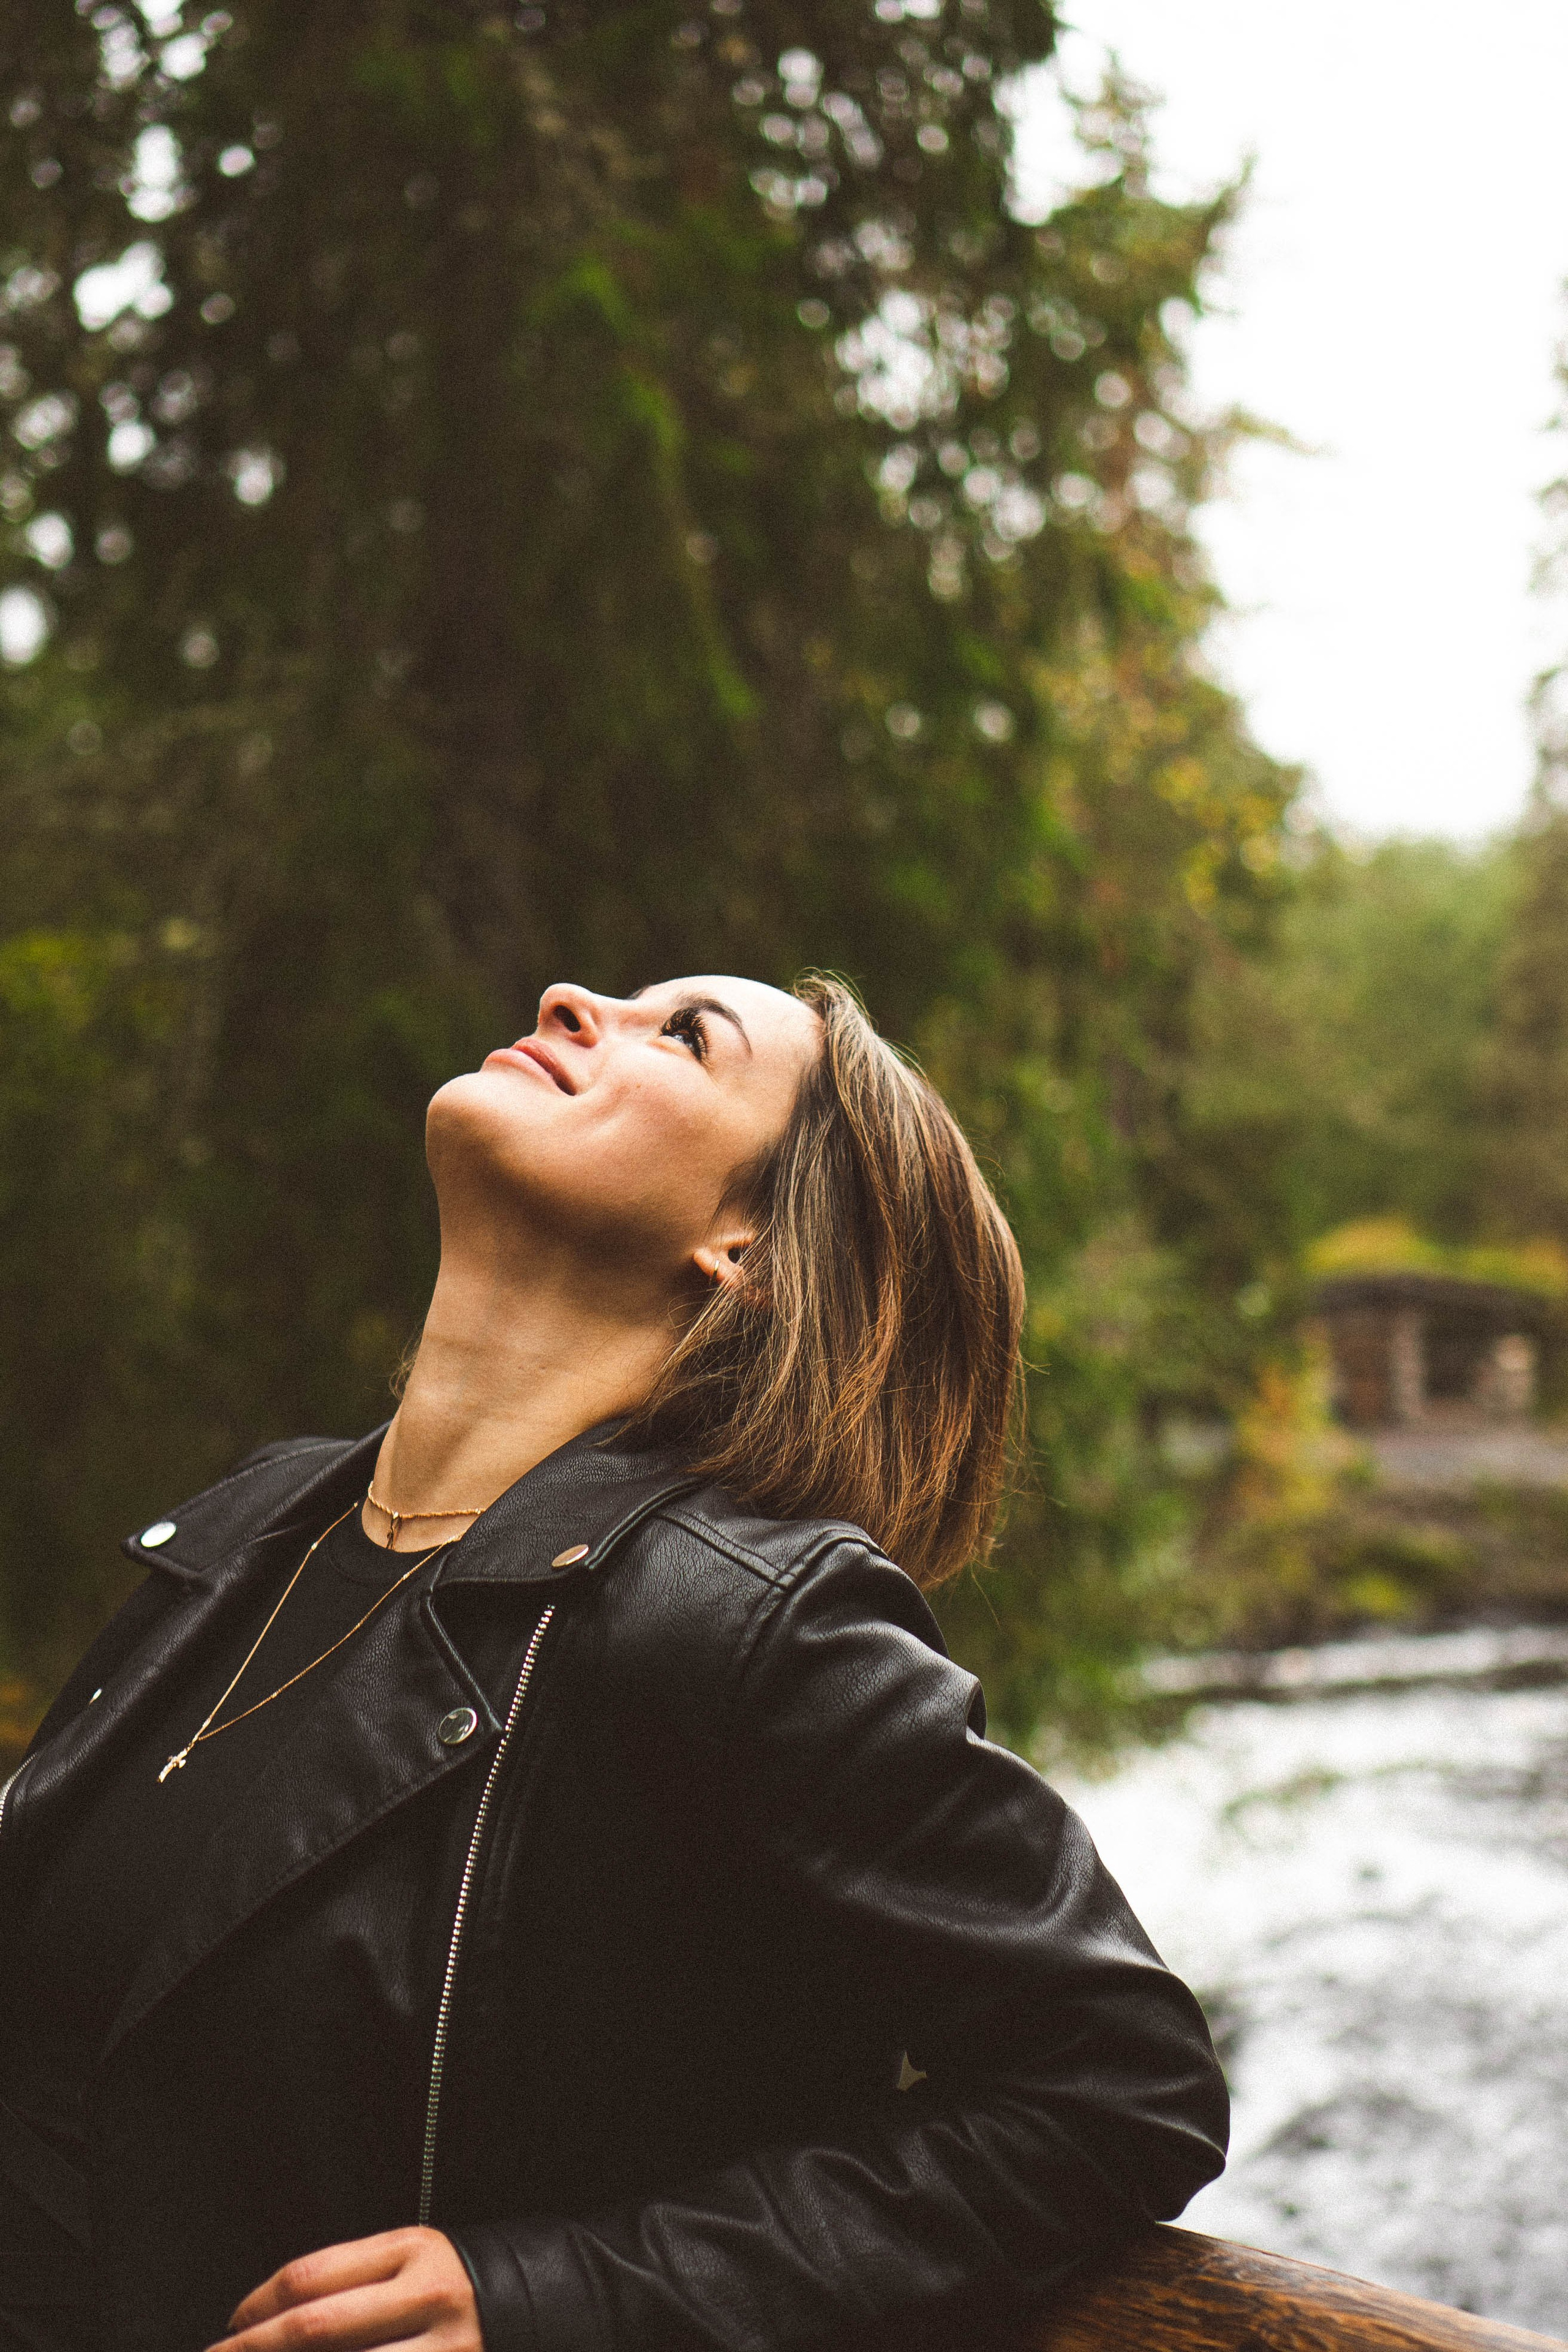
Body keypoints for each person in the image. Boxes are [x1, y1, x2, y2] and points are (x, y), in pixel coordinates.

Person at [0, 972, 1227, 2352]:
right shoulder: (247, 1528)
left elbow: (1112, 2089)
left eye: (685, 1035)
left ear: (745, 1244)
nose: (571, 995)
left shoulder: (746, 1625)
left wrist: (561, 2298)